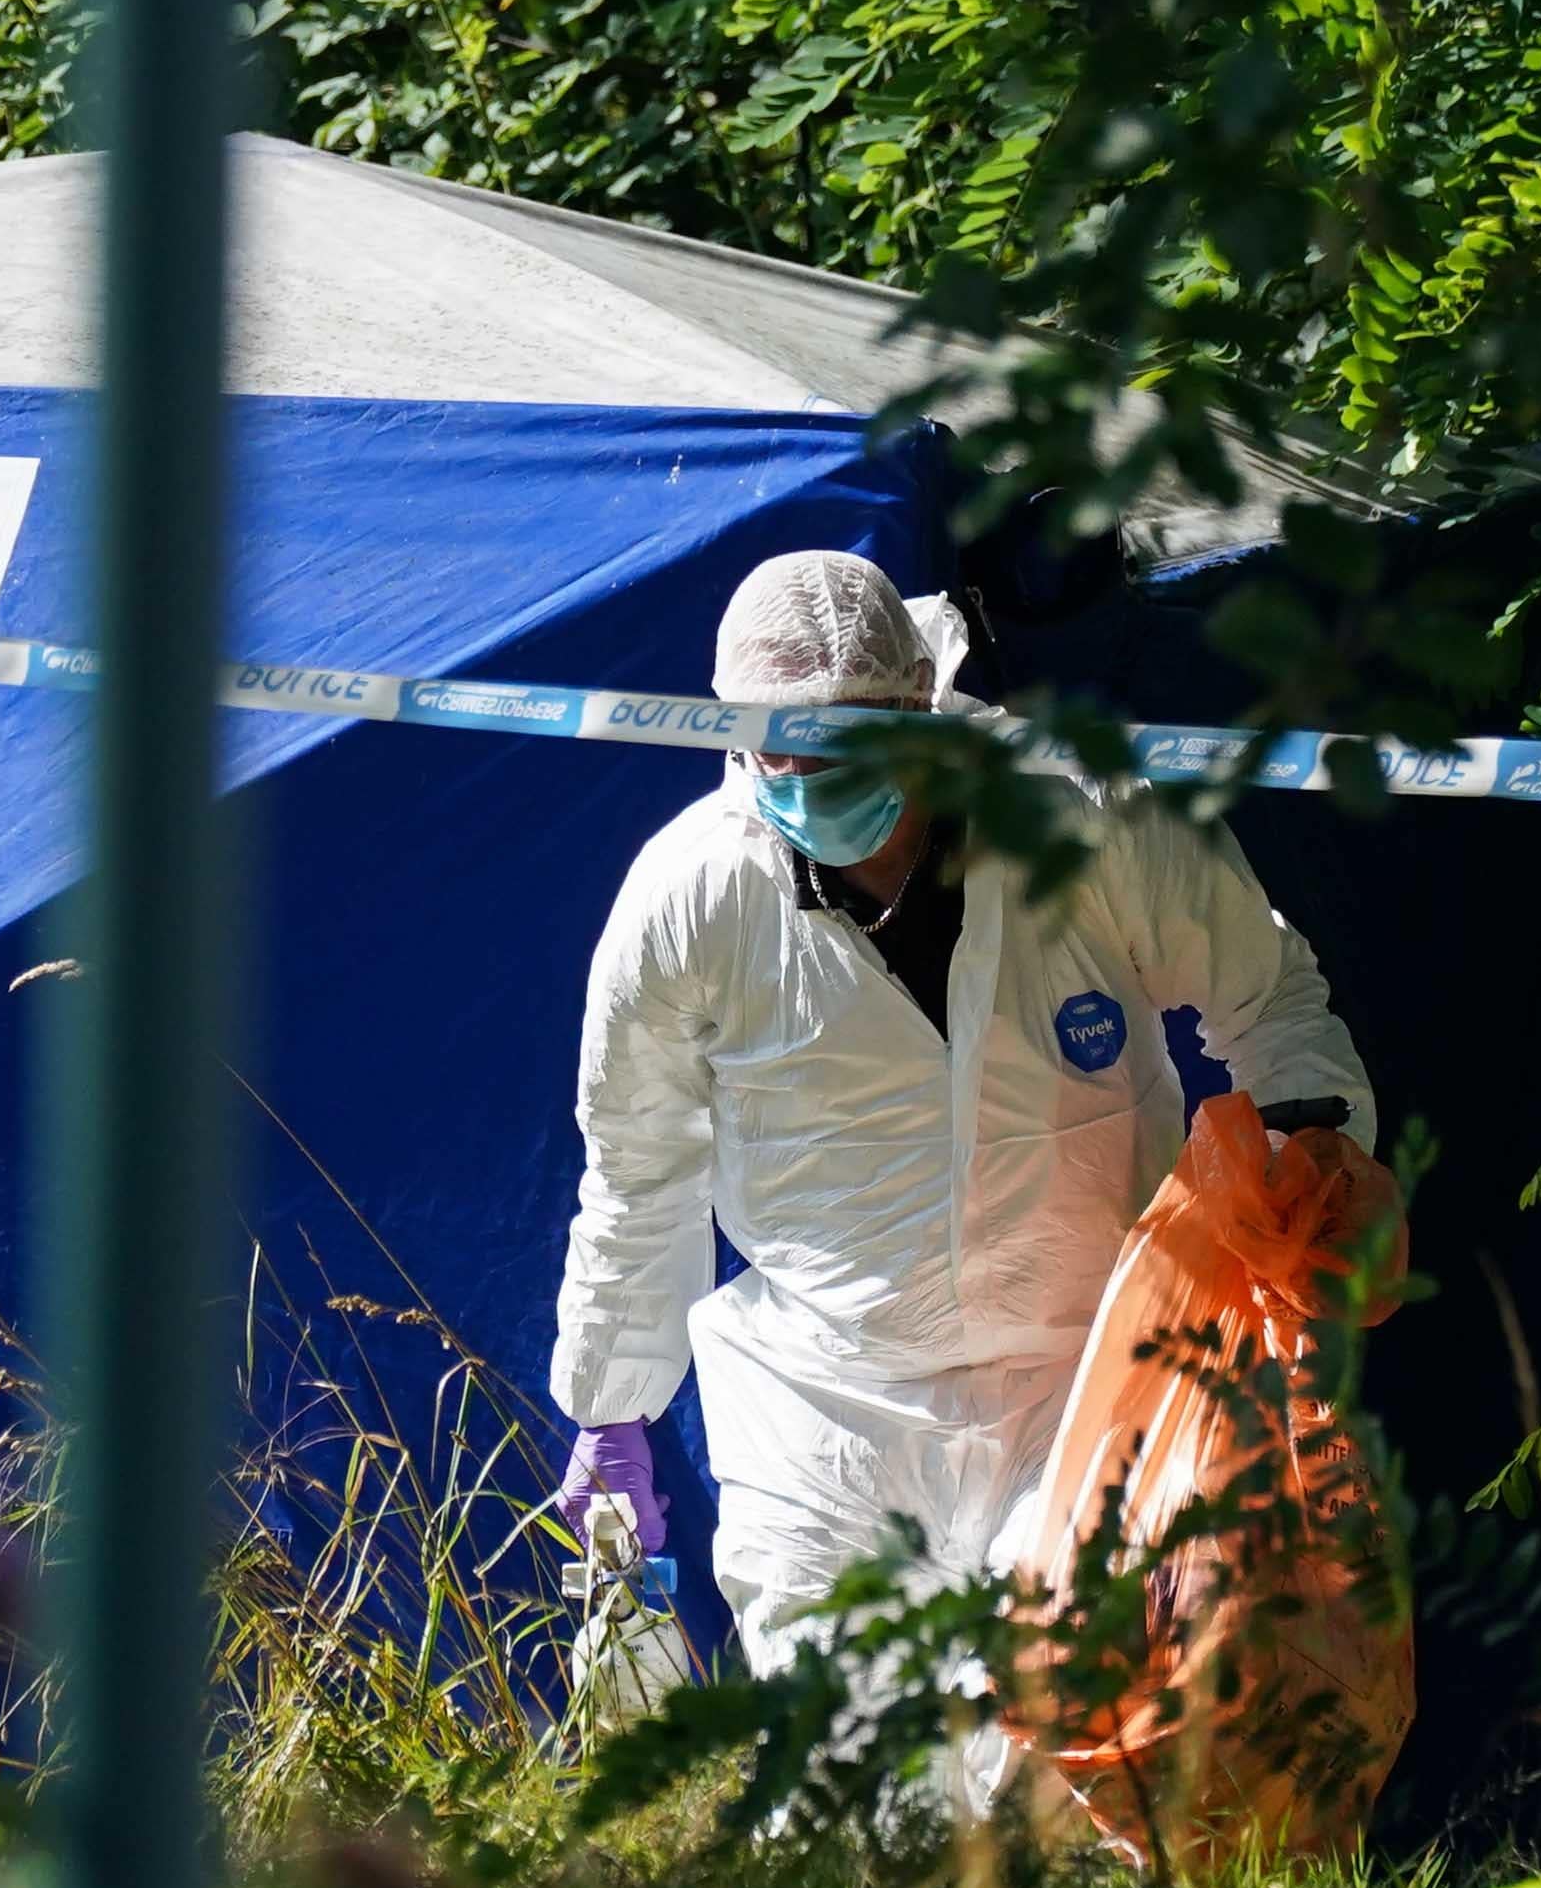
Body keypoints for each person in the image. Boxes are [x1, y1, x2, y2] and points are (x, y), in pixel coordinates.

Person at [548, 549, 1376, 1673]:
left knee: (1062, 1765)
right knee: (848, 1797)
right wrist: (612, 1405)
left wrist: (1307, 1165)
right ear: (742, 743)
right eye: (794, 746)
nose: (828, 777)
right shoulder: (689, 898)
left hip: (1087, 1376)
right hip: (825, 1413)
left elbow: (1269, 994)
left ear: (924, 713)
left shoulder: (1082, 819)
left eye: (864, 741)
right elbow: (640, 1169)